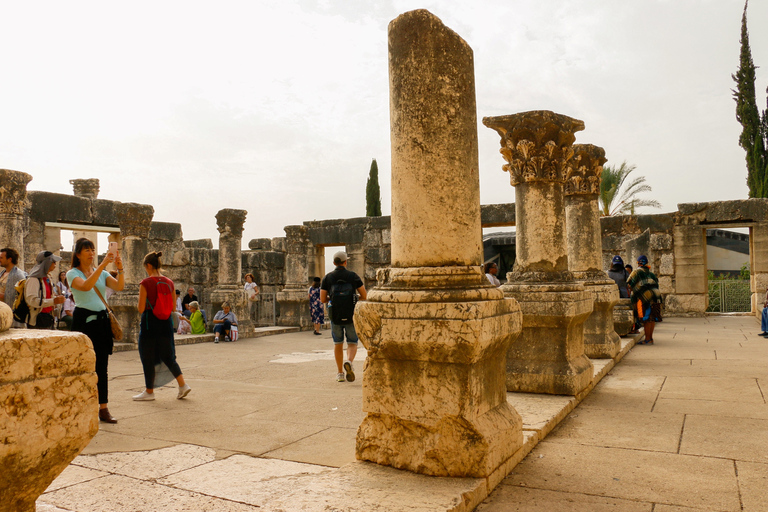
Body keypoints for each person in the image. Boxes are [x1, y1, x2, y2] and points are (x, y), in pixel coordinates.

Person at [67, 237, 125, 424]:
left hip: (101, 321)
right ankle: (81, 404)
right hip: (84, 321)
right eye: (87, 250)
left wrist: (120, 268)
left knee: (102, 367)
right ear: (78, 254)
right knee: (83, 365)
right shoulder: (72, 273)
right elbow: (86, 286)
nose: (91, 253)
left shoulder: (101, 273)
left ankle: (103, 408)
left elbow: (119, 286)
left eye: (93, 249)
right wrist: (102, 265)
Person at [132, 251, 191, 401]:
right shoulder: (169, 282)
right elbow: (172, 307)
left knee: (147, 356)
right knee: (168, 355)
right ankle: (183, 385)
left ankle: (149, 391)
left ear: (149, 265)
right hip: (166, 321)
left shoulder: (145, 283)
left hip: (149, 321)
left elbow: (140, 308)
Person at [321, 251, 367, 383]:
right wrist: (353, 298)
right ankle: (349, 361)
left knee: (338, 343)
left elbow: (323, 299)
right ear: (345, 262)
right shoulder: (353, 276)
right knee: (352, 342)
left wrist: (334, 299)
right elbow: (364, 295)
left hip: (335, 315)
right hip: (351, 314)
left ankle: (340, 373)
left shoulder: (327, 278)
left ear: (334, 263)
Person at [626, 255, 663, 345]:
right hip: (656, 297)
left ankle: (647, 339)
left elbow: (629, 284)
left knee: (646, 319)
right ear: (646, 264)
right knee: (652, 318)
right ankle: (650, 338)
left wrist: (635, 290)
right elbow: (656, 285)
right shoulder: (651, 274)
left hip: (644, 299)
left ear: (638, 263)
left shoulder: (636, 272)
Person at [24, 251, 66, 329]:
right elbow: (32, 301)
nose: (55, 264)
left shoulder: (48, 278)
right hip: (37, 321)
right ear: (47, 262)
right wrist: (53, 301)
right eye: (53, 262)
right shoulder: (33, 279)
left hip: (48, 318)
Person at [0, 247, 27, 328]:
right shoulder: (2, 273)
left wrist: (1, 296)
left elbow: (20, 298)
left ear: (9, 259)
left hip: (11, 315)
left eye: (1, 257)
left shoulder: (18, 275)